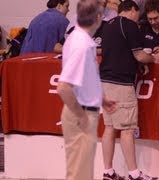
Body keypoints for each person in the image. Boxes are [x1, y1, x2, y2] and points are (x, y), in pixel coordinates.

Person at [99, 0, 159, 179]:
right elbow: (140, 54)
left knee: (109, 127)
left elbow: (117, 52)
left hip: (105, 81)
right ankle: (134, 174)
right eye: (138, 13)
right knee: (126, 130)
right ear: (132, 10)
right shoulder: (130, 26)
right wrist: (153, 58)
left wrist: (137, 65)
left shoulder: (107, 25)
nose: (139, 17)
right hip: (121, 84)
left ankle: (108, 172)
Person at [57, 0, 112, 179]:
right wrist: (81, 116)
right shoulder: (82, 45)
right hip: (81, 114)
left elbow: (86, 78)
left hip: (83, 111)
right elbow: (64, 87)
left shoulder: (78, 38)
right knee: (80, 173)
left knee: (81, 170)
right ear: (98, 17)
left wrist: (100, 98)